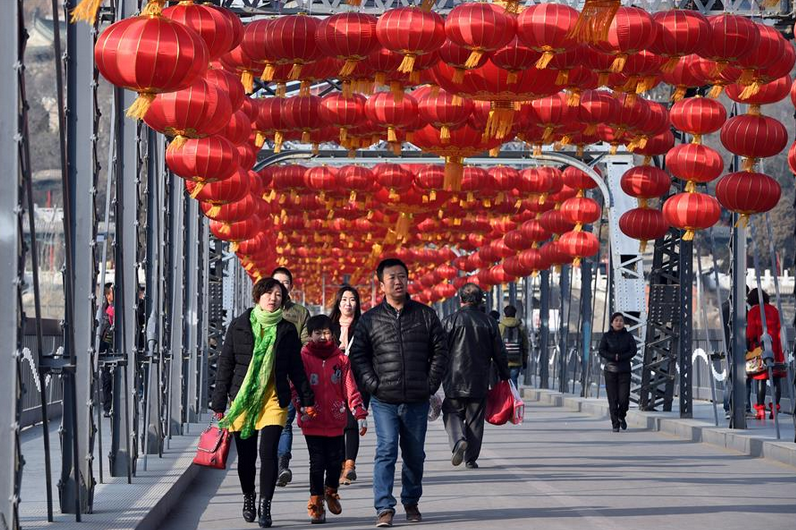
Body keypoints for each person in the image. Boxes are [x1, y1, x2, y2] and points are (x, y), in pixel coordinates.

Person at [349, 258, 448, 528]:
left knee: (415, 454)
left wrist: (429, 384)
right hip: (384, 400)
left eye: (402, 276)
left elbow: (441, 351)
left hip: (416, 398)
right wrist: (373, 384)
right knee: (386, 450)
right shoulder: (370, 320)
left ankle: (411, 501)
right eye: (392, 277)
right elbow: (359, 355)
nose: (398, 281)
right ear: (381, 284)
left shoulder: (425, 315)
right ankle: (384, 506)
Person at [211, 277, 315, 528]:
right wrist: (218, 403)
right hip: (243, 399)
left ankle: (265, 505)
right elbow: (226, 363)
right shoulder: (239, 326)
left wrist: (307, 398)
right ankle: (249, 497)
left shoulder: (287, 330)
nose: (273, 298)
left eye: (278, 294)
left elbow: (296, 368)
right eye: (268, 293)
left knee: (268, 454)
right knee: (246, 458)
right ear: (258, 296)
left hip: (274, 399)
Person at [295, 315, 368, 524]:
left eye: (326, 332)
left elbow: (350, 387)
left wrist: (359, 412)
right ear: (310, 335)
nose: (322, 337)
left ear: (333, 334)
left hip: (337, 420)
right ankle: (316, 501)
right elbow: (296, 386)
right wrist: (301, 406)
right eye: (318, 333)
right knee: (317, 463)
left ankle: (331, 491)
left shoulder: (342, 359)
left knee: (336, 462)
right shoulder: (303, 358)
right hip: (313, 420)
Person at [441, 283, 510, 469]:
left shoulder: (449, 321)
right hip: (479, 378)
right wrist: (505, 375)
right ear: (480, 301)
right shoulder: (489, 323)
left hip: (453, 379)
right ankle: (470, 458)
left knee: (451, 413)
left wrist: (433, 377)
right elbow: (499, 352)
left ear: (461, 299)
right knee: (475, 419)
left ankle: (457, 441)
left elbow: (438, 352)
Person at [272, 266, 311, 487]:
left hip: (288, 377)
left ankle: (282, 464)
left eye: (285, 282)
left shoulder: (300, 313)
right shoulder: (261, 311)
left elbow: (306, 343)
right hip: (266, 379)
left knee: (285, 423)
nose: (281, 286)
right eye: (277, 282)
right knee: (271, 425)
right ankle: (274, 462)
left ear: (291, 286)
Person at [329, 285, 366, 485]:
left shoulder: (363, 325)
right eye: (344, 299)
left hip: (358, 380)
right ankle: (342, 463)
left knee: (352, 423)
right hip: (334, 381)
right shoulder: (329, 326)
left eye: (352, 299)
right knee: (338, 424)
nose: (348, 304)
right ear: (338, 302)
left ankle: (350, 464)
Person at [746, 288, 787, 419]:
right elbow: (781, 329)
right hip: (776, 348)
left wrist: (749, 344)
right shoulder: (774, 310)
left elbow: (751, 333)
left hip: (761, 349)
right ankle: (775, 408)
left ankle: (761, 410)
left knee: (761, 379)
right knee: (776, 379)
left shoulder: (753, 311)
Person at [598, 312, 636, 432]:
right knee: (613, 399)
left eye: (621, 321)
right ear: (612, 323)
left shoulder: (628, 336)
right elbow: (601, 350)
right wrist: (613, 357)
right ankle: (615, 423)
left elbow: (633, 350)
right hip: (610, 370)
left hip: (624, 370)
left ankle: (621, 416)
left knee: (624, 398)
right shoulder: (606, 336)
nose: (619, 323)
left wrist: (622, 357)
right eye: (616, 320)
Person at [498, 305, 530, 388]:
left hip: (503, 360)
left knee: (502, 381)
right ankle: (514, 399)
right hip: (517, 360)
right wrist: (525, 360)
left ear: (505, 314)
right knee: (513, 380)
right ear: (515, 314)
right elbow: (525, 345)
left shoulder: (500, 327)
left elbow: (496, 344)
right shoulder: (520, 327)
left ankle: (505, 400)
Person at [99, 282, 115, 418]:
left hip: (114, 347)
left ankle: (113, 405)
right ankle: (107, 406)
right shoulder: (102, 310)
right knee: (106, 378)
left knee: (113, 377)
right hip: (105, 347)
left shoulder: (116, 309)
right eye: (111, 292)